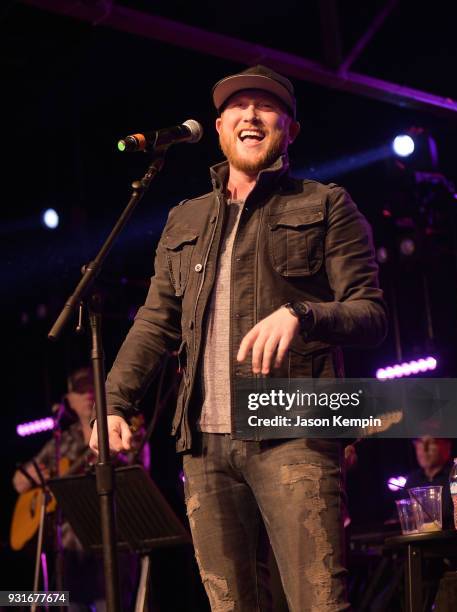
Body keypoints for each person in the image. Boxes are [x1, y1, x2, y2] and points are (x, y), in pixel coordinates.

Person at [90, 65, 387, 611]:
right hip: (204, 446)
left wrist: (302, 313)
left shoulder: (325, 205)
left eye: (266, 106)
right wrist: (115, 402)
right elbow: (156, 321)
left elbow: (369, 314)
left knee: (317, 603)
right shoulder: (186, 219)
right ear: (220, 127)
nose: (250, 115)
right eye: (238, 108)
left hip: (292, 428)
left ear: (289, 129)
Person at [13, 366, 147, 611]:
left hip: (111, 543)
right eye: (80, 391)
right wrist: (26, 478)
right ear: (69, 401)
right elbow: (20, 480)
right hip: (70, 553)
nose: (87, 395)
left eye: (91, 389)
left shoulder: (124, 430)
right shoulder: (63, 440)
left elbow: (137, 479)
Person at [405, 436, 453, 527]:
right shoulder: (412, 480)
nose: (424, 449)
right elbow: (403, 514)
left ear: (447, 446)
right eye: (420, 442)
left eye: (431, 442)